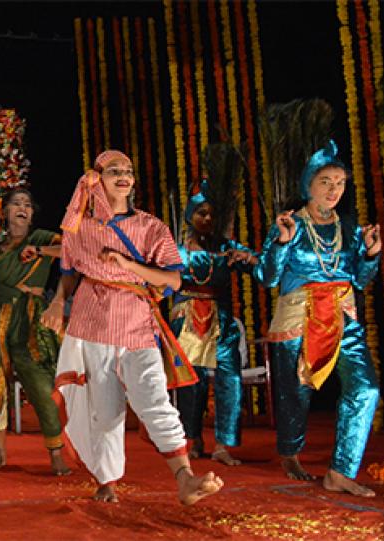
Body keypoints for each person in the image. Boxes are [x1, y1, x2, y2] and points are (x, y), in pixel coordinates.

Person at [42, 149, 222, 505]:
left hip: (137, 324)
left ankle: (185, 478)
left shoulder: (151, 227)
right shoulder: (80, 226)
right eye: (114, 171)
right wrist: (58, 302)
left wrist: (128, 265)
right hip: (92, 324)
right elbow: (69, 271)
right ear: (97, 178)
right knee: (104, 411)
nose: (123, 176)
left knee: (154, 400)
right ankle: (106, 480)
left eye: (128, 170)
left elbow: (172, 281)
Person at [256, 140, 381, 497]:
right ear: (307, 184)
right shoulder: (290, 224)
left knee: (366, 389)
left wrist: (370, 255)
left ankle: (340, 472)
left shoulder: (350, 228)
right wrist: (281, 243)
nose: (333, 189)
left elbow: (360, 279)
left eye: (340, 182)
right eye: (325, 181)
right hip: (299, 316)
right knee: (295, 393)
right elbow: (267, 277)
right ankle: (290, 452)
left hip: (343, 316)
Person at [0, 188, 70, 475]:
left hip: (30, 318)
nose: (23, 208)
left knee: (41, 385)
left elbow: (74, 252)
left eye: (27, 204)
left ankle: (56, 452)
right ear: (5, 213)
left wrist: (40, 252)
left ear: (32, 214)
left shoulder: (42, 239)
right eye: (16, 204)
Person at [170, 144, 256, 466]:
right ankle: (193, 438)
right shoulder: (177, 251)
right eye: (201, 213)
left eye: (211, 214)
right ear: (190, 216)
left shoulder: (227, 246)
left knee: (229, 379)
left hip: (222, 320)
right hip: (188, 319)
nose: (207, 218)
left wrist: (248, 258)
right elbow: (161, 282)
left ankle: (223, 445)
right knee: (192, 382)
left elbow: (262, 269)